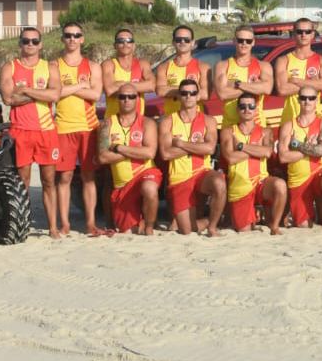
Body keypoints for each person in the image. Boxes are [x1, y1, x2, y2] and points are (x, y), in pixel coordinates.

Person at [0, 26, 60, 237]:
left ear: (41, 44)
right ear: (20, 43)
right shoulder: (10, 67)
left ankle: (53, 226)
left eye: (35, 41)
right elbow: (8, 99)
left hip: (46, 130)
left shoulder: (50, 67)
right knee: (22, 181)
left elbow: (54, 95)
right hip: (21, 130)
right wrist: (39, 94)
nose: (30, 45)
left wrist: (25, 90)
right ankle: (22, 223)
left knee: (49, 181)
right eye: (26, 41)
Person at [52, 22, 102, 236]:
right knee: (64, 177)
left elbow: (95, 95)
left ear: (82, 39)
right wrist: (81, 86)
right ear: (62, 39)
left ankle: (90, 222)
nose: (72, 39)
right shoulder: (54, 65)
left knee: (89, 177)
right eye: (68, 35)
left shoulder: (92, 66)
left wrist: (68, 90)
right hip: (63, 127)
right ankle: (64, 223)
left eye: (76, 35)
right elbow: (55, 93)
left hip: (88, 127)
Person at [158, 78, 224, 235]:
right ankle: (211, 220)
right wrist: (197, 147)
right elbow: (166, 154)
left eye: (193, 93)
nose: (189, 96)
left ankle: (213, 227)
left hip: (202, 173)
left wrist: (180, 144)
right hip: (180, 177)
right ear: (179, 96)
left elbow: (209, 148)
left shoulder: (208, 120)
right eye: (185, 93)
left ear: (198, 96)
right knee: (186, 230)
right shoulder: (168, 121)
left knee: (219, 183)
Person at [217, 93, 287, 234]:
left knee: (280, 185)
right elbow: (230, 158)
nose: (247, 109)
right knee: (244, 231)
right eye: (242, 106)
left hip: (261, 181)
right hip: (240, 185)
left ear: (256, 110)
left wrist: (242, 146)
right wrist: (256, 149)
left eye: (251, 106)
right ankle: (253, 217)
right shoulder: (228, 131)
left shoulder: (265, 131)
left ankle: (274, 226)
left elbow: (267, 153)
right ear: (237, 110)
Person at [97, 85, 160, 235]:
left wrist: (119, 148)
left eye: (131, 96)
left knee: (150, 188)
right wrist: (136, 150)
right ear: (117, 99)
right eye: (122, 97)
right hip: (122, 184)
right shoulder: (106, 124)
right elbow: (103, 157)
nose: (127, 100)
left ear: (137, 99)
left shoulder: (147, 123)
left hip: (145, 172)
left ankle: (150, 228)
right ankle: (143, 221)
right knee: (128, 231)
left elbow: (150, 153)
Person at [277, 86, 322, 231]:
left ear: (316, 101)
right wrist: (309, 149)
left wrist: (297, 144)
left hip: (317, 175)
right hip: (298, 180)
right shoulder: (288, 126)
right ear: (298, 100)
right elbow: (283, 156)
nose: (307, 101)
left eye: (311, 98)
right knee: (303, 226)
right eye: (303, 98)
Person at [214, 25, 274, 128]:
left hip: (257, 125)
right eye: (240, 40)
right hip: (230, 126)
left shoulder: (263, 66)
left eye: (248, 41)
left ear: (253, 42)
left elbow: (267, 89)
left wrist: (237, 84)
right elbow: (223, 94)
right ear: (234, 41)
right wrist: (254, 88)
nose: (244, 44)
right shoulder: (222, 66)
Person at [274, 17, 322, 125]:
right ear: (293, 34)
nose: (303, 35)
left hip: (315, 121)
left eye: (307, 32)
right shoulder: (283, 60)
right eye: (299, 32)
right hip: (290, 120)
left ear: (312, 34)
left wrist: (295, 81)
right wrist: (312, 84)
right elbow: (282, 90)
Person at [102, 28, 152, 118]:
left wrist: (120, 84)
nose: (125, 44)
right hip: (113, 120)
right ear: (115, 45)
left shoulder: (143, 64)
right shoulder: (108, 64)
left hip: (137, 122)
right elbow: (109, 90)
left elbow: (151, 86)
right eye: (121, 41)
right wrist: (140, 85)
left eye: (129, 41)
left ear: (133, 45)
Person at [155, 24, 208, 104]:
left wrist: (172, 90)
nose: (182, 42)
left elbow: (205, 94)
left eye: (186, 40)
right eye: (178, 39)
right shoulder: (163, 67)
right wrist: (192, 90)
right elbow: (160, 91)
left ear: (192, 43)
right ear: (173, 42)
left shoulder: (203, 67)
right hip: (171, 115)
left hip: (194, 115)